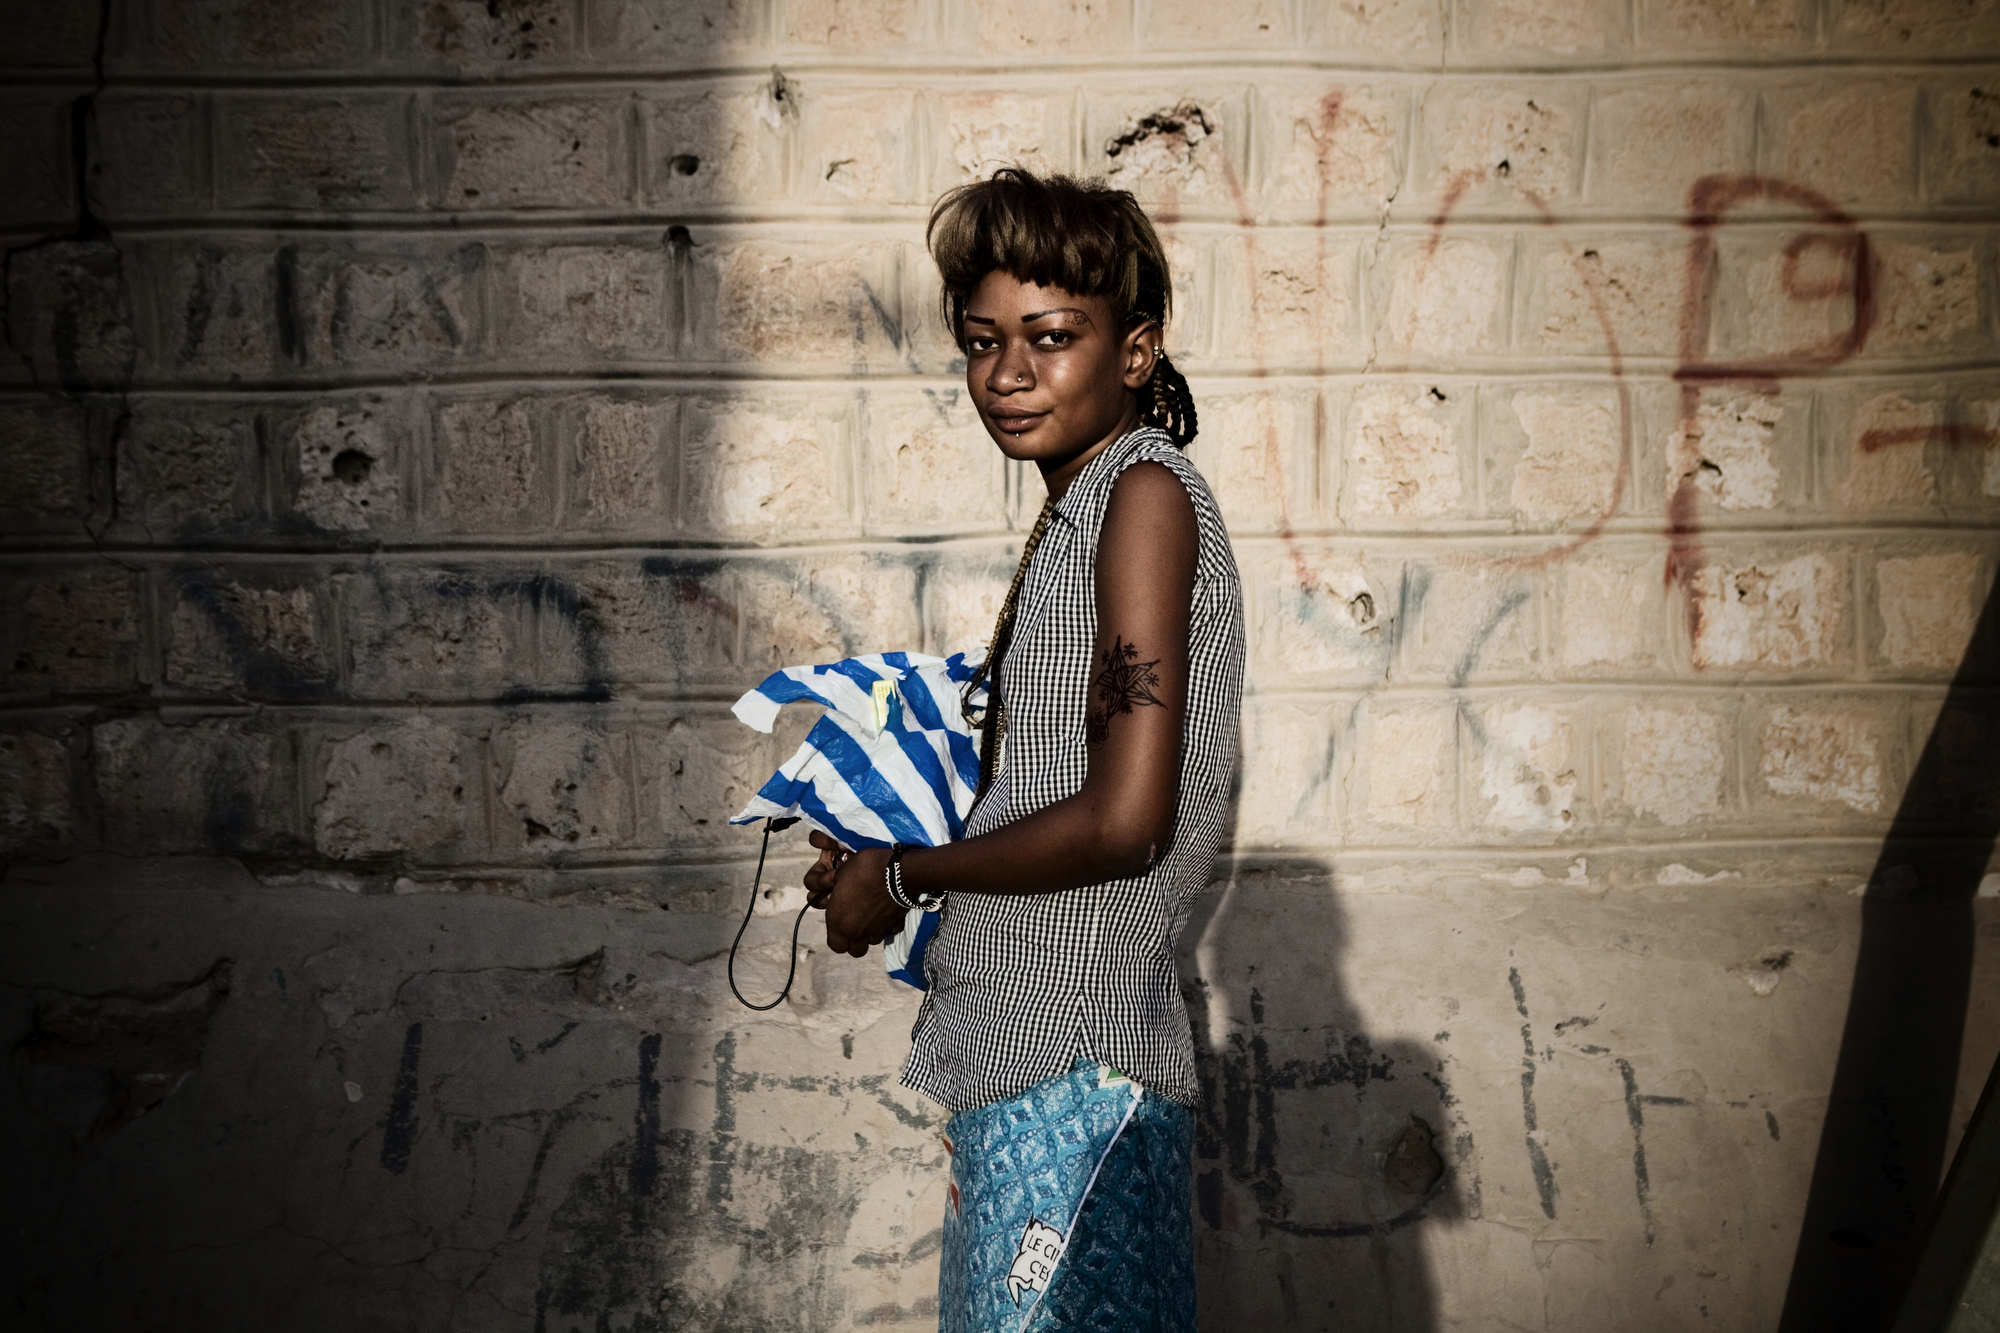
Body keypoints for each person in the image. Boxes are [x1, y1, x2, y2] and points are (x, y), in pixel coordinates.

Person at [802, 167, 1244, 1333]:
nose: (1007, 373)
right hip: (1030, 1063)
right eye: (981, 339)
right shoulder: (1088, 503)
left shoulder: (1141, 495)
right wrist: (888, 851)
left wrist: (902, 877)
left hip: (1074, 1071)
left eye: (1051, 338)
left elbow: (1124, 817)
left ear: (1134, 350)